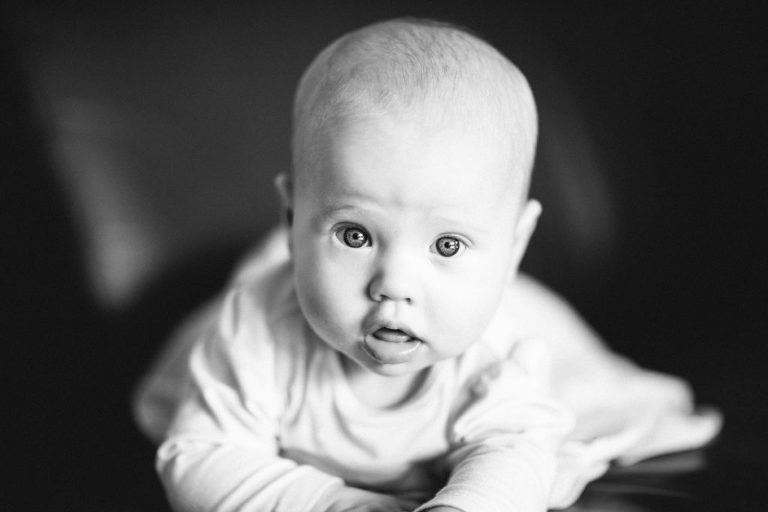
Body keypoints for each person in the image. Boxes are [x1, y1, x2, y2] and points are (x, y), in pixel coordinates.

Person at [134, 18, 720, 512]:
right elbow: (201, 455)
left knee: (558, 427)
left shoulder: (495, 354)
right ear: (290, 219)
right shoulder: (255, 330)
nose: (394, 284)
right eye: (356, 234)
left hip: (518, 333)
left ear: (515, 245)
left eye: (447, 245)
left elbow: (514, 450)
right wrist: (340, 505)